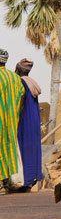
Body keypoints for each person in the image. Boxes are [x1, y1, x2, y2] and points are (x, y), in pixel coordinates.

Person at [14, 59, 43, 190]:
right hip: (34, 121)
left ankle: (25, 182)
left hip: (24, 121)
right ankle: (32, 179)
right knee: (33, 149)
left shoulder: (21, 83)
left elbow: (18, 103)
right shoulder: (32, 82)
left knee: (23, 149)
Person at [0, 48, 25, 188]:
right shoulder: (15, 78)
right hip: (12, 121)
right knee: (9, 149)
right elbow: (22, 97)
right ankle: (10, 180)